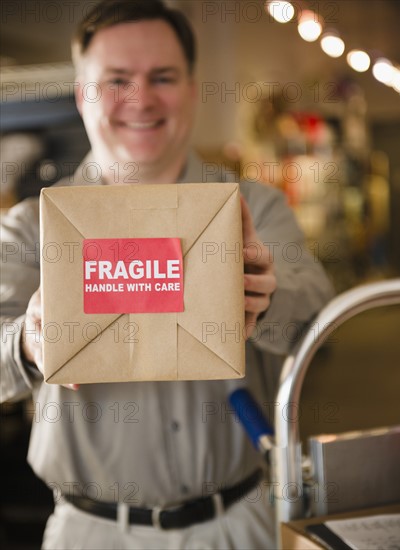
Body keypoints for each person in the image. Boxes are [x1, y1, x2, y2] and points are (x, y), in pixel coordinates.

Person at [0, 1, 334, 548]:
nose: (141, 98)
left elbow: (321, 314)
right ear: (82, 92)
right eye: (116, 80)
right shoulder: (30, 227)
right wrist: (27, 344)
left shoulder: (254, 208)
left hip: (238, 523)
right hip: (92, 532)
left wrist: (269, 300)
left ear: (193, 88)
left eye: (162, 77)